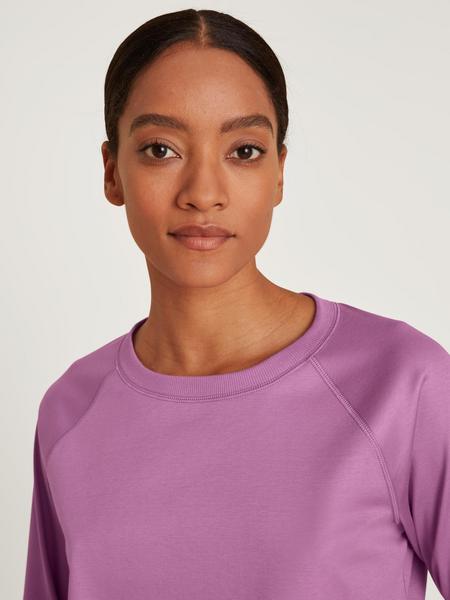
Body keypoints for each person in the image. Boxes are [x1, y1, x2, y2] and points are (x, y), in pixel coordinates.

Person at [22, 8, 449, 600]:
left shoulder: (403, 383)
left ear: (279, 174)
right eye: (161, 149)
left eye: (243, 151)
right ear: (112, 172)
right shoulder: (70, 411)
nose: (203, 193)